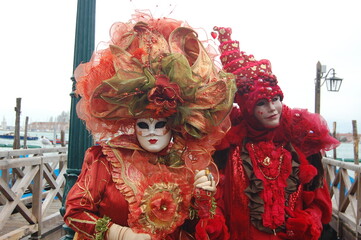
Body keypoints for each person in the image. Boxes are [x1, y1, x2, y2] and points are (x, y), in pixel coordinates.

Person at [63, 12, 236, 240]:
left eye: (160, 124)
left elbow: (195, 230)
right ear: (133, 124)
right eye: (144, 124)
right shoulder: (105, 160)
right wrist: (119, 234)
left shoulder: (185, 165)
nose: (152, 131)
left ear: (173, 125)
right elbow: (75, 212)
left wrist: (203, 199)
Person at [212, 26, 340, 240]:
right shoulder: (228, 145)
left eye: (276, 99)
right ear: (247, 108)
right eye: (262, 103)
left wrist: (310, 218)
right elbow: (217, 199)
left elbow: (319, 198)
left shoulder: (298, 139)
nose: (272, 108)